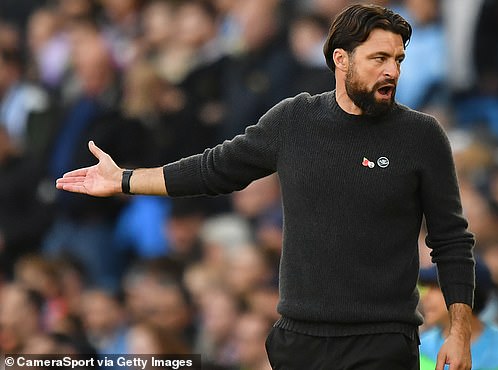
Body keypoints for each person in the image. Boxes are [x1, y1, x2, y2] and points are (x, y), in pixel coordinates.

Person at [56, 4, 475, 369]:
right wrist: (125, 180)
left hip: (383, 341)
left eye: (399, 59)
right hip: (299, 341)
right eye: (379, 58)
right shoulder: (294, 121)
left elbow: (452, 240)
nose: (393, 71)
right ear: (341, 60)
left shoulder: (421, 136)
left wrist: (458, 332)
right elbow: (212, 169)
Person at [418, 259, 498, 369]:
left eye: (436, 288)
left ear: (469, 293)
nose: (425, 297)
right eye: (426, 288)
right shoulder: (419, 347)